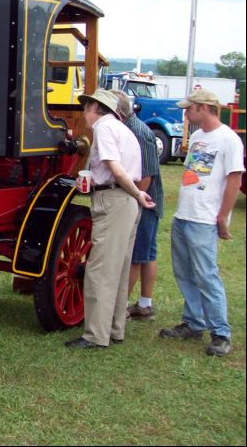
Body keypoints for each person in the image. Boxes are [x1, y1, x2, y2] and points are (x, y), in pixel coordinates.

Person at [65, 89, 155, 349]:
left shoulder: (104, 129)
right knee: (119, 269)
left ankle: (95, 336)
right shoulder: (124, 129)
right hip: (125, 202)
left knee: (100, 271)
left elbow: (115, 168)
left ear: (95, 108)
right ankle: (115, 329)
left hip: (115, 199)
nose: (84, 113)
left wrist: (137, 193)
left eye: (86, 107)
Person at [159, 89, 245, 357]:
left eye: (190, 108)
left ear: (205, 108)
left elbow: (234, 181)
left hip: (204, 219)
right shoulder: (197, 136)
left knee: (207, 275)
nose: (186, 113)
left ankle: (221, 333)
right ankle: (194, 323)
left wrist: (222, 217)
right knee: (184, 272)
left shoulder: (228, 140)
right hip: (184, 215)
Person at [111, 90, 164, 319]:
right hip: (145, 198)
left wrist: (136, 199)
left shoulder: (139, 132)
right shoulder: (130, 128)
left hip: (145, 199)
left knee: (136, 253)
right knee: (147, 253)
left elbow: (147, 175)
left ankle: (121, 308)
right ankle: (144, 305)